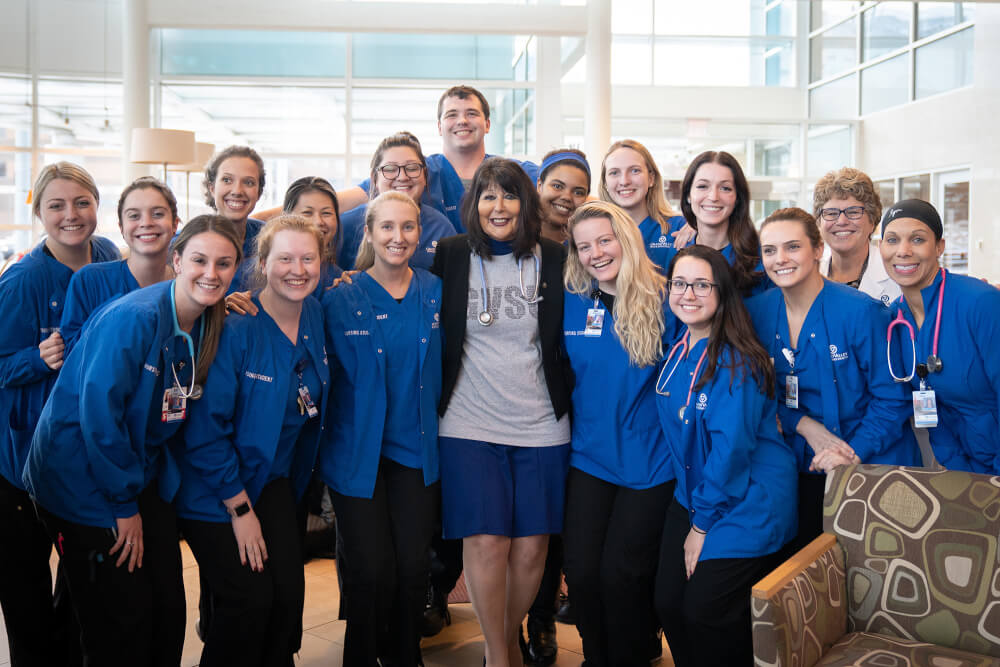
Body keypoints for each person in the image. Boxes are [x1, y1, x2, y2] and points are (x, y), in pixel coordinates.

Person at [22, 214, 240, 667]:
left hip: (137, 474)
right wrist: (122, 507)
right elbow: (98, 419)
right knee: (120, 624)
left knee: (166, 612)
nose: (211, 273)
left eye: (224, 263)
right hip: (79, 481)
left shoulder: (205, 321)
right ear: (176, 260)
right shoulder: (136, 318)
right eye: (200, 260)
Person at [432, 157, 570, 667]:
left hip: (542, 422)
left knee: (532, 548)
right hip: (468, 422)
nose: (499, 206)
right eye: (488, 195)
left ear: (525, 202)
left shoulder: (553, 258)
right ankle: (499, 656)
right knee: (488, 542)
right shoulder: (448, 256)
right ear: (474, 204)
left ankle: (505, 640)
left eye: (509, 195)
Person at [176, 214, 328, 667]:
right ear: (262, 263)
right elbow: (204, 433)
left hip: (274, 482)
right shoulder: (236, 325)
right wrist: (240, 509)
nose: (297, 269)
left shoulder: (316, 313)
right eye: (284, 258)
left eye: (308, 258)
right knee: (249, 604)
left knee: (286, 606)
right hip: (216, 490)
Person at [0, 161, 119, 666]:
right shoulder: (23, 281)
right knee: (26, 594)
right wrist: (35, 358)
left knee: (84, 591)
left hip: (85, 456)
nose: (71, 215)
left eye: (81, 202)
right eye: (56, 205)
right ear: (39, 213)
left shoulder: (111, 258)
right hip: (21, 462)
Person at [653, 245, 796, 667]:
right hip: (695, 493)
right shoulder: (679, 349)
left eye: (701, 284)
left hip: (747, 499)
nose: (688, 293)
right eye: (680, 283)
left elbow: (731, 453)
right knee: (666, 603)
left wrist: (701, 525)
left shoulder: (737, 363)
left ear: (723, 293)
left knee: (704, 611)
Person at [747, 207, 919, 551]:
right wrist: (803, 424)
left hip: (872, 460)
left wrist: (851, 452)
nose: (780, 259)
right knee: (805, 575)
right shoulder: (756, 313)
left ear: (818, 250)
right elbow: (753, 394)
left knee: (872, 575)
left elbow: (893, 399)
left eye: (793, 247)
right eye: (770, 250)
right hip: (801, 461)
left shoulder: (861, 312)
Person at [321, 191, 443, 666]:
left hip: (416, 452)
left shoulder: (436, 290)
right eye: (387, 227)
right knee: (371, 570)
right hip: (357, 455)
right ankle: (361, 656)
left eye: (408, 227)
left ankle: (404, 654)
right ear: (369, 233)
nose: (398, 237)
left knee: (414, 568)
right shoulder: (340, 298)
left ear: (419, 232)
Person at [561, 200, 677, 667]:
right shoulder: (571, 298)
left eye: (604, 240)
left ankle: (630, 656)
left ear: (625, 239)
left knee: (622, 575)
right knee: (584, 573)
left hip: (649, 461)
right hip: (589, 455)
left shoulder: (666, 297)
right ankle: (597, 656)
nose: (595, 253)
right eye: (584, 246)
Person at [880, 199, 1000, 473]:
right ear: (881, 248)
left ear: (939, 247)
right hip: (963, 468)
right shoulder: (895, 323)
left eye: (917, 239)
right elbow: (933, 410)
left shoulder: (980, 303)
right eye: (892, 240)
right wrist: (960, 471)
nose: (903, 251)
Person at [61, 176, 179, 353]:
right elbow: (73, 354)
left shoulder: (186, 287)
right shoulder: (90, 281)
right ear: (121, 228)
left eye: (158, 214)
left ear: (175, 224)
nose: (146, 223)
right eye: (134, 216)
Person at [338, 132, 457, 271]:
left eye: (412, 168)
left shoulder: (441, 228)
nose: (402, 177)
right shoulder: (346, 225)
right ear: (374, 178)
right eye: (390, 169)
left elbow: (453, 284)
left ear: (425, 176)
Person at [679, 150, 770, 297]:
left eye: (725, 188)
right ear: (688, 195)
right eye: (703, 186)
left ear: (738, 198)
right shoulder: (676, 251)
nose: (713, 197)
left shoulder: (761, 256)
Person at [814, 167, 899, 306]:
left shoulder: (896, 275)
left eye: (853, 212)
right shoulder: (809, 274)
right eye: (831, 213)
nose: (841, 221)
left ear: (872, 220)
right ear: (819, 222)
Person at [598, 139, 689, 270]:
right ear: (605, 183)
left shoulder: (680, 228)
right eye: (614, 173)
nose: (624, 181)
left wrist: (701, 228)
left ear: (651, 178)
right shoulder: (593, 233)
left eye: (634, 170)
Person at [201, 145, 267, 294]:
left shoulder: (270, 238)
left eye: (248, 182)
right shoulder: (187, 241)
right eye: (227, 180)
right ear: (212, 188)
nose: (237, 191)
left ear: (259, 192)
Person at [283, 176, 344, 298]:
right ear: (287, 217)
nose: (318, 222)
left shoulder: (339, 279)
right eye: (307, 213)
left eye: (326, 213)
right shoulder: (263, 270)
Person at [535, 148, 591, 245]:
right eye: (557, 186)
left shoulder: (587, 247)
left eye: (578, 192)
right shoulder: (512, 235)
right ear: (540, 186)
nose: (567, 197)